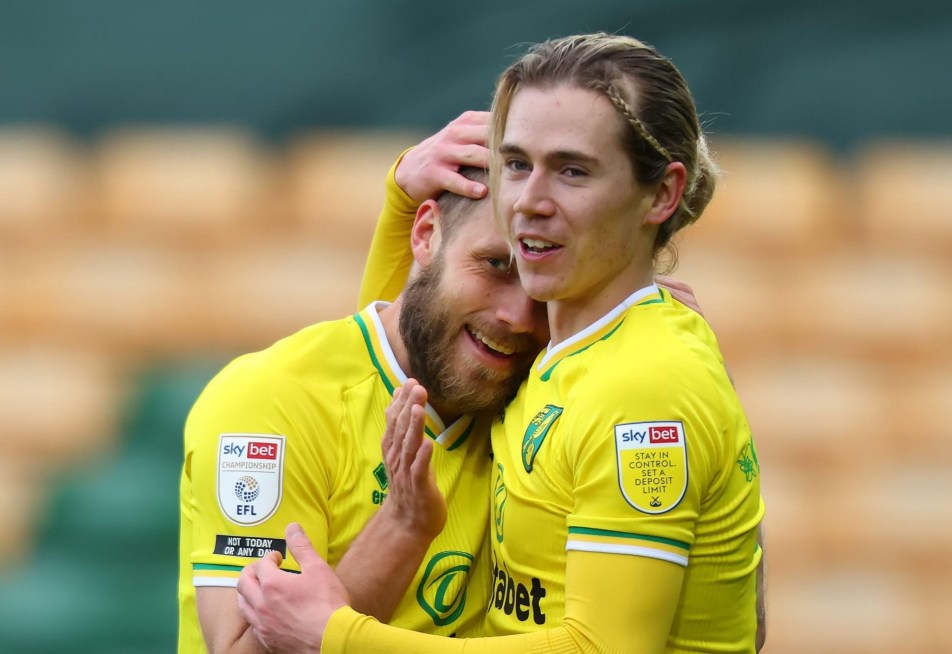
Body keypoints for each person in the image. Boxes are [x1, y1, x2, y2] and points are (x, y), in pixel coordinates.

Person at [237, 32, 765, 653]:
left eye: (572, 170)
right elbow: (406, 356)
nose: (529, 203)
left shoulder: (641, 382)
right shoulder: (553, 352)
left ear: (661, 194)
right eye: (517, 164)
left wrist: (338, 638)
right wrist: (399, 204)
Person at [177, 111, 551, 653]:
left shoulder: (543, 397)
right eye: (495, 264)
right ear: (425, 233)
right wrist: (402, 526)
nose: (518, 315)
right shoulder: (271, 400)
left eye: (544, 288)